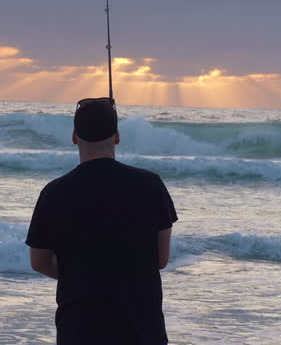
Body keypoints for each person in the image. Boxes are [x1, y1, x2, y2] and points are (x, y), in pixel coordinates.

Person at [26, 97, 178, 345]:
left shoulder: (54, 192)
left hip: (79, 327)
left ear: (74, 136)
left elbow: (39, 262)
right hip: (141, 328)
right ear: (117, 136)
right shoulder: (150, 185)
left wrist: (83, 275)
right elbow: (160, 259)